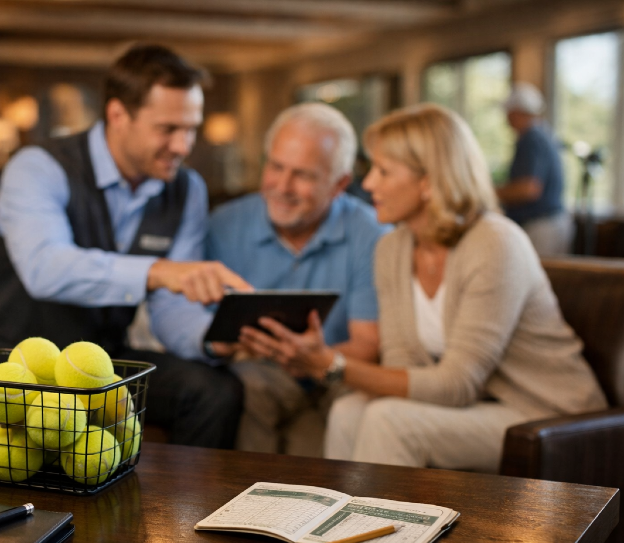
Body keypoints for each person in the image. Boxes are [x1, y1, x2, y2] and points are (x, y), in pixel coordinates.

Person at [238, 103, 606, 472]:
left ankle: (372, 530)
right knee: (350, 409)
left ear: (428, 181)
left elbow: (457, 384)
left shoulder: (495, 242)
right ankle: (328, 525)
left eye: (383, 171)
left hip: (550, 417)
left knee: (391, 421)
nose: (368, 185)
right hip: (482, 404)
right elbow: (403, 365)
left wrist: (330, 364)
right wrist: (327, 364)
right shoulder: (392, 248)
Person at [0, 44, 251, 448]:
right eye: (168, 129)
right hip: (8, 362)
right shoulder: (38, 166)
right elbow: (46, 268)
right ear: (117, 115)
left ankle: (189, 508)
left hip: (100, 365)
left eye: (191, 129)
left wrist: (210, 339)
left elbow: (171, 305)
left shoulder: (187, 189)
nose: (183, 146)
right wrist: (159, 271)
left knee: (214, 391)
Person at [203, 103, 387, 456]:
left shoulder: (372, 233)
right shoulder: (223, 226)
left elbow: (367, 345)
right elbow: (205, 328)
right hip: (258, 375)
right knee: (245, 386)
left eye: (303, 175)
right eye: (275, 167)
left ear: (340, 184)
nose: (282, 187)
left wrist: (311, 358)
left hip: (337, 372)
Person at [496, 82, 572, 256]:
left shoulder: (531, 138)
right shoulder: (543, 134)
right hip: (553, 222)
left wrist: (488, 191)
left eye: (508, 113)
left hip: (541, 226)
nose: (506, 119)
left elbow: (528, 189)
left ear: (517, 112)